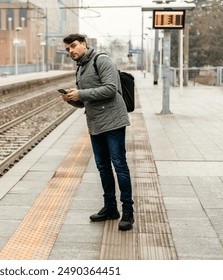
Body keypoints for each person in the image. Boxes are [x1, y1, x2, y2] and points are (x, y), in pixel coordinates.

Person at [61, 33, 134, 231]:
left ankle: (128, 211)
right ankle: (111, 208)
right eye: (67, 49)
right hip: (95, 123)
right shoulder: (81, 68)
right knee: (103, 167)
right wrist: (73, 99)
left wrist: (81, 93)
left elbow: (110, 89)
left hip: (113, 121)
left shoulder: (101, 60)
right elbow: (86, 100)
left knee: (119, 165)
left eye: (74, 46)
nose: (71, 51)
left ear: (84, 43)